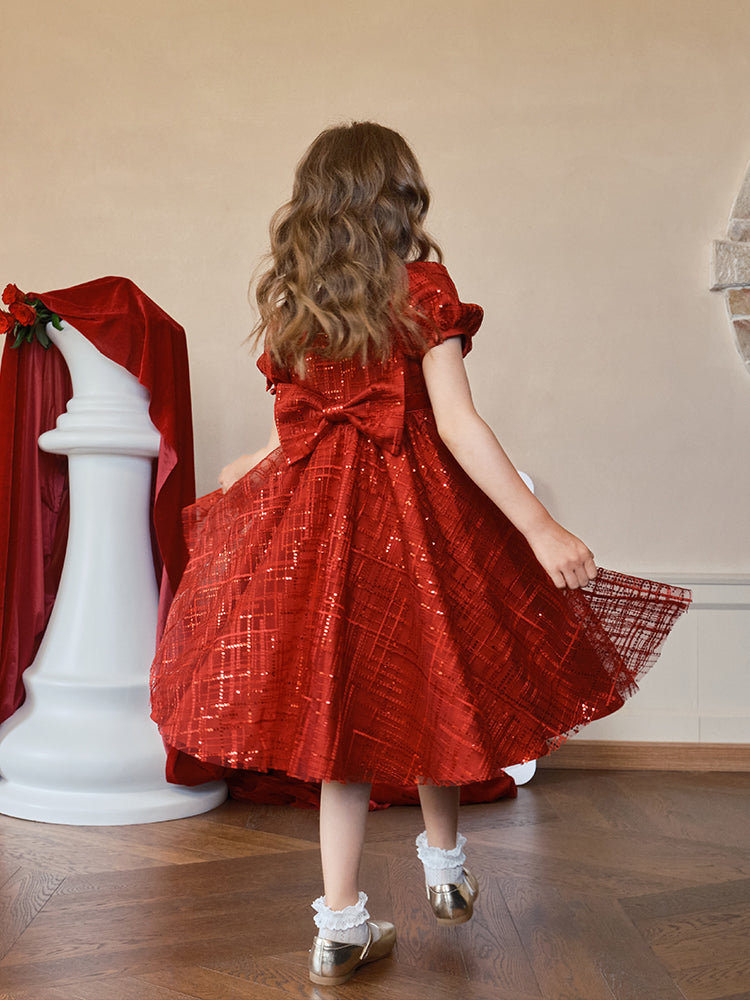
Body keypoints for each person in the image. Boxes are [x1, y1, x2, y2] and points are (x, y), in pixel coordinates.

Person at [150, 122, 690, 986]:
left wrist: (237, 476)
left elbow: (296, 432)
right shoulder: (421, 290)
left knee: (343, 719)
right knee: (436, 679)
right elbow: (456, 424)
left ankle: (338, 926)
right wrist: (536, 527)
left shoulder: (297, 304)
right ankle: (443, 863)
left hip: (321, 531)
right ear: (397, 199)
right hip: (411, 521)